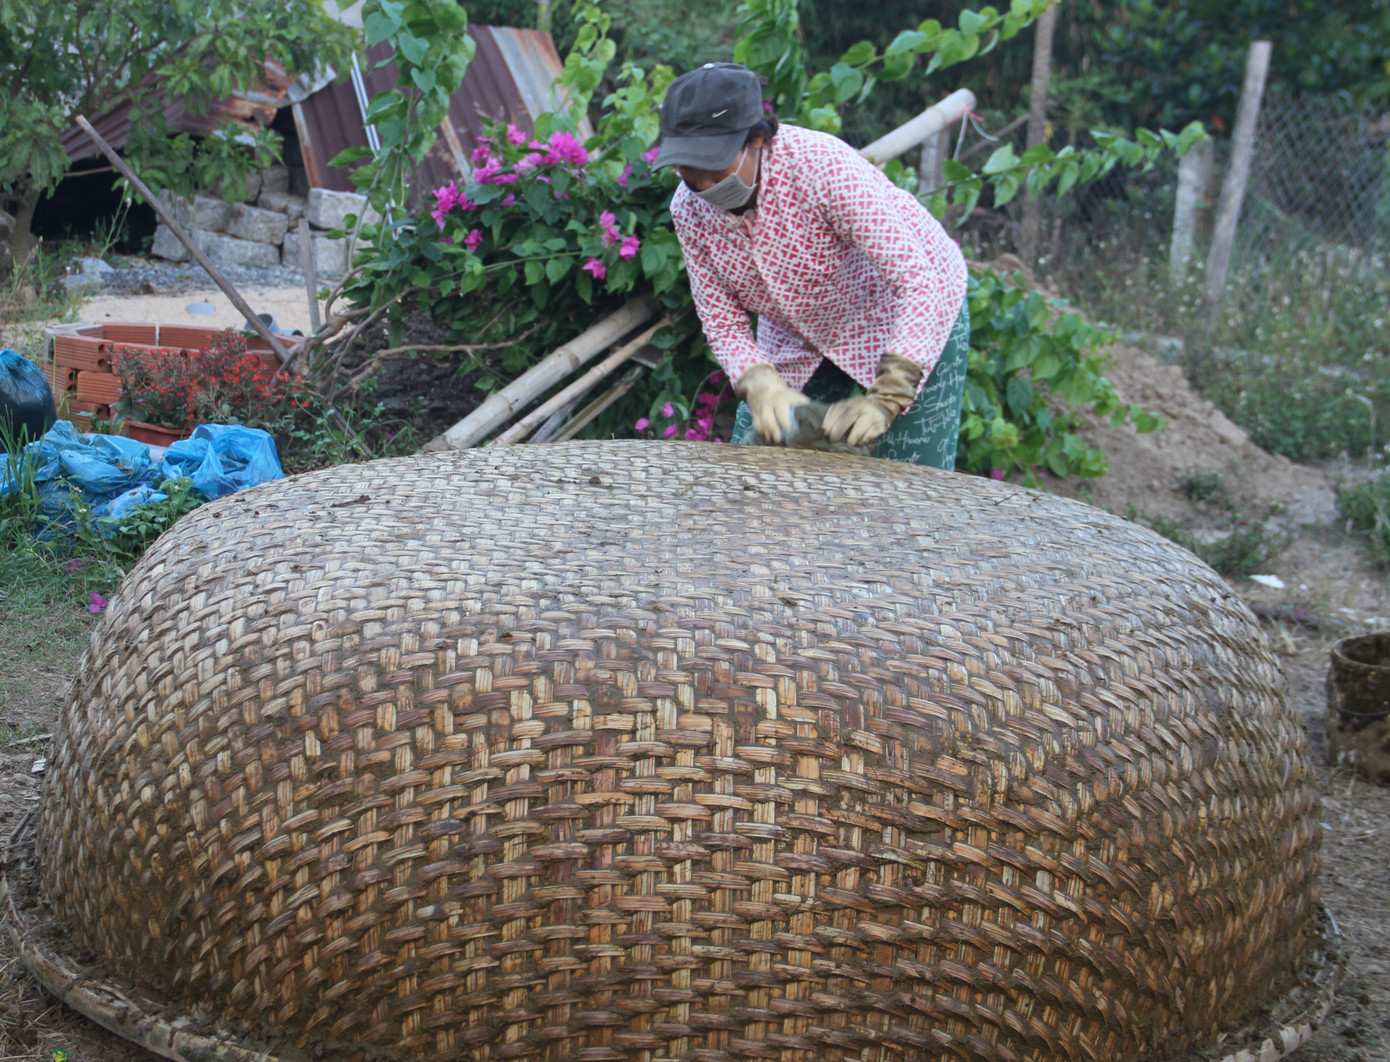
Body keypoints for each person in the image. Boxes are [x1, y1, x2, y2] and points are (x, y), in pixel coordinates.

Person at [652, 62, 971, 468]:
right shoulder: (688, 210)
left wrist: (889, 395)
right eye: (686, 170)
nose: (702, 186)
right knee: (758, 466)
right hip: (798, 335)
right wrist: (759, 381)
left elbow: (918, 283)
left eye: (714, 167)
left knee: (907, 480)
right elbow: (721, 319)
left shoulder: (822, 168)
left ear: (757, 140)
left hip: (905, 315)